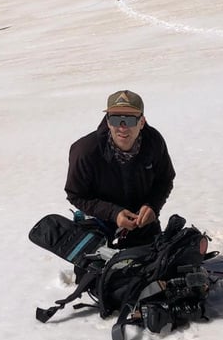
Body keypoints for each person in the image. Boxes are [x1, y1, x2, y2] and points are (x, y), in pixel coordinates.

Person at [65, 90, 175, 248]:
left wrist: (152, 205)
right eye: (116, 119)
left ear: (142, 122)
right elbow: (76, 195)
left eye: (129, 120)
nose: (122, 128)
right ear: (108, 121)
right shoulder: (85, 151)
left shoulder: (153, 142)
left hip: (143, 226)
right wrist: (113, 213)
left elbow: (164, 179)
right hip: (100, 228)